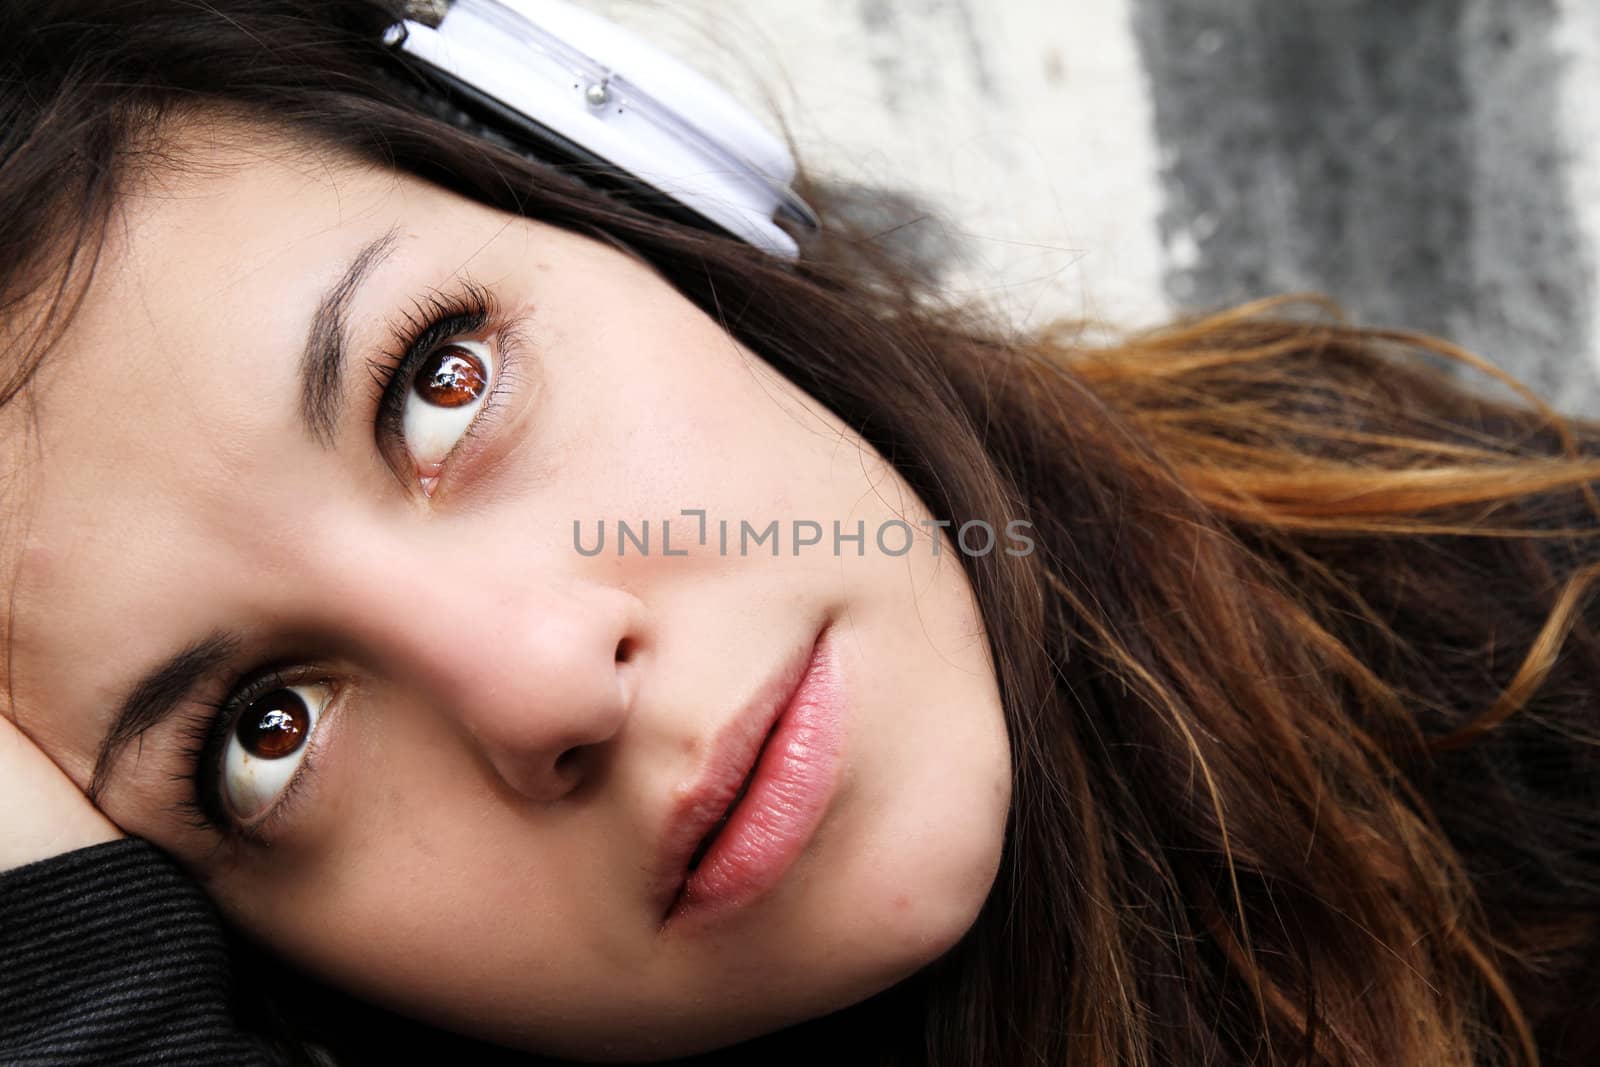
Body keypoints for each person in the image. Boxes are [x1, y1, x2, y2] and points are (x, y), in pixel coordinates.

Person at [2, 2, 1598, 1065]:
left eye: (440, 384)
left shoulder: (1526, 602)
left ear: (626, 196)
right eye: (261, 735)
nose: (546, 682)